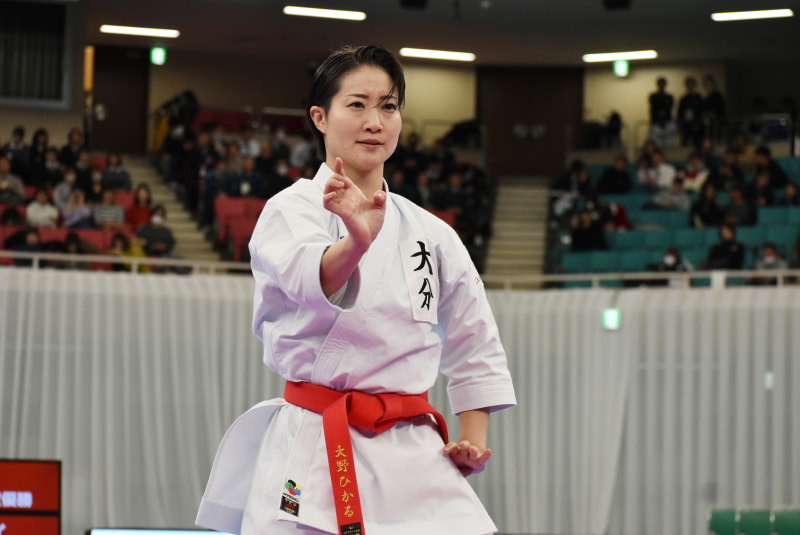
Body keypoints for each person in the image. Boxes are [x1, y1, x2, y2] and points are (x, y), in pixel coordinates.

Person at [196, 44, 516, 535]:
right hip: (316, 444)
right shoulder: (291, 209)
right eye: (357, 104)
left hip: (415, 453)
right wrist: (357, 242)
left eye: (388, 106)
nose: (375, 121)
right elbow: (315, 279)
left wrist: (472, 440)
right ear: (320, 117)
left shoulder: (431, 233)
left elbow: (475, 341)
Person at [677, 76, 705, 148]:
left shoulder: (699, 98)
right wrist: (680, 124)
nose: (690, 87)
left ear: (694, 86)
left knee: (697, 143)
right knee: (685, 143)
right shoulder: (684, 99)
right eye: (688, 86)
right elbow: (680, 113)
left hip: (697, 124)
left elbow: (701, 111)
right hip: (686, 124)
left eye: (691, 85)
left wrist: (698, 122)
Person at [648, 77, 676, 147]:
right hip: (656, 123)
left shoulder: (669, 97)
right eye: (660, 84)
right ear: (657, 85)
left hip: (667, 122)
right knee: (656, 143)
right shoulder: (653, 96)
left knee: (669, 143)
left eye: (663, 84)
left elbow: (669, 107)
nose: (661, 86)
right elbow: (654, 108)